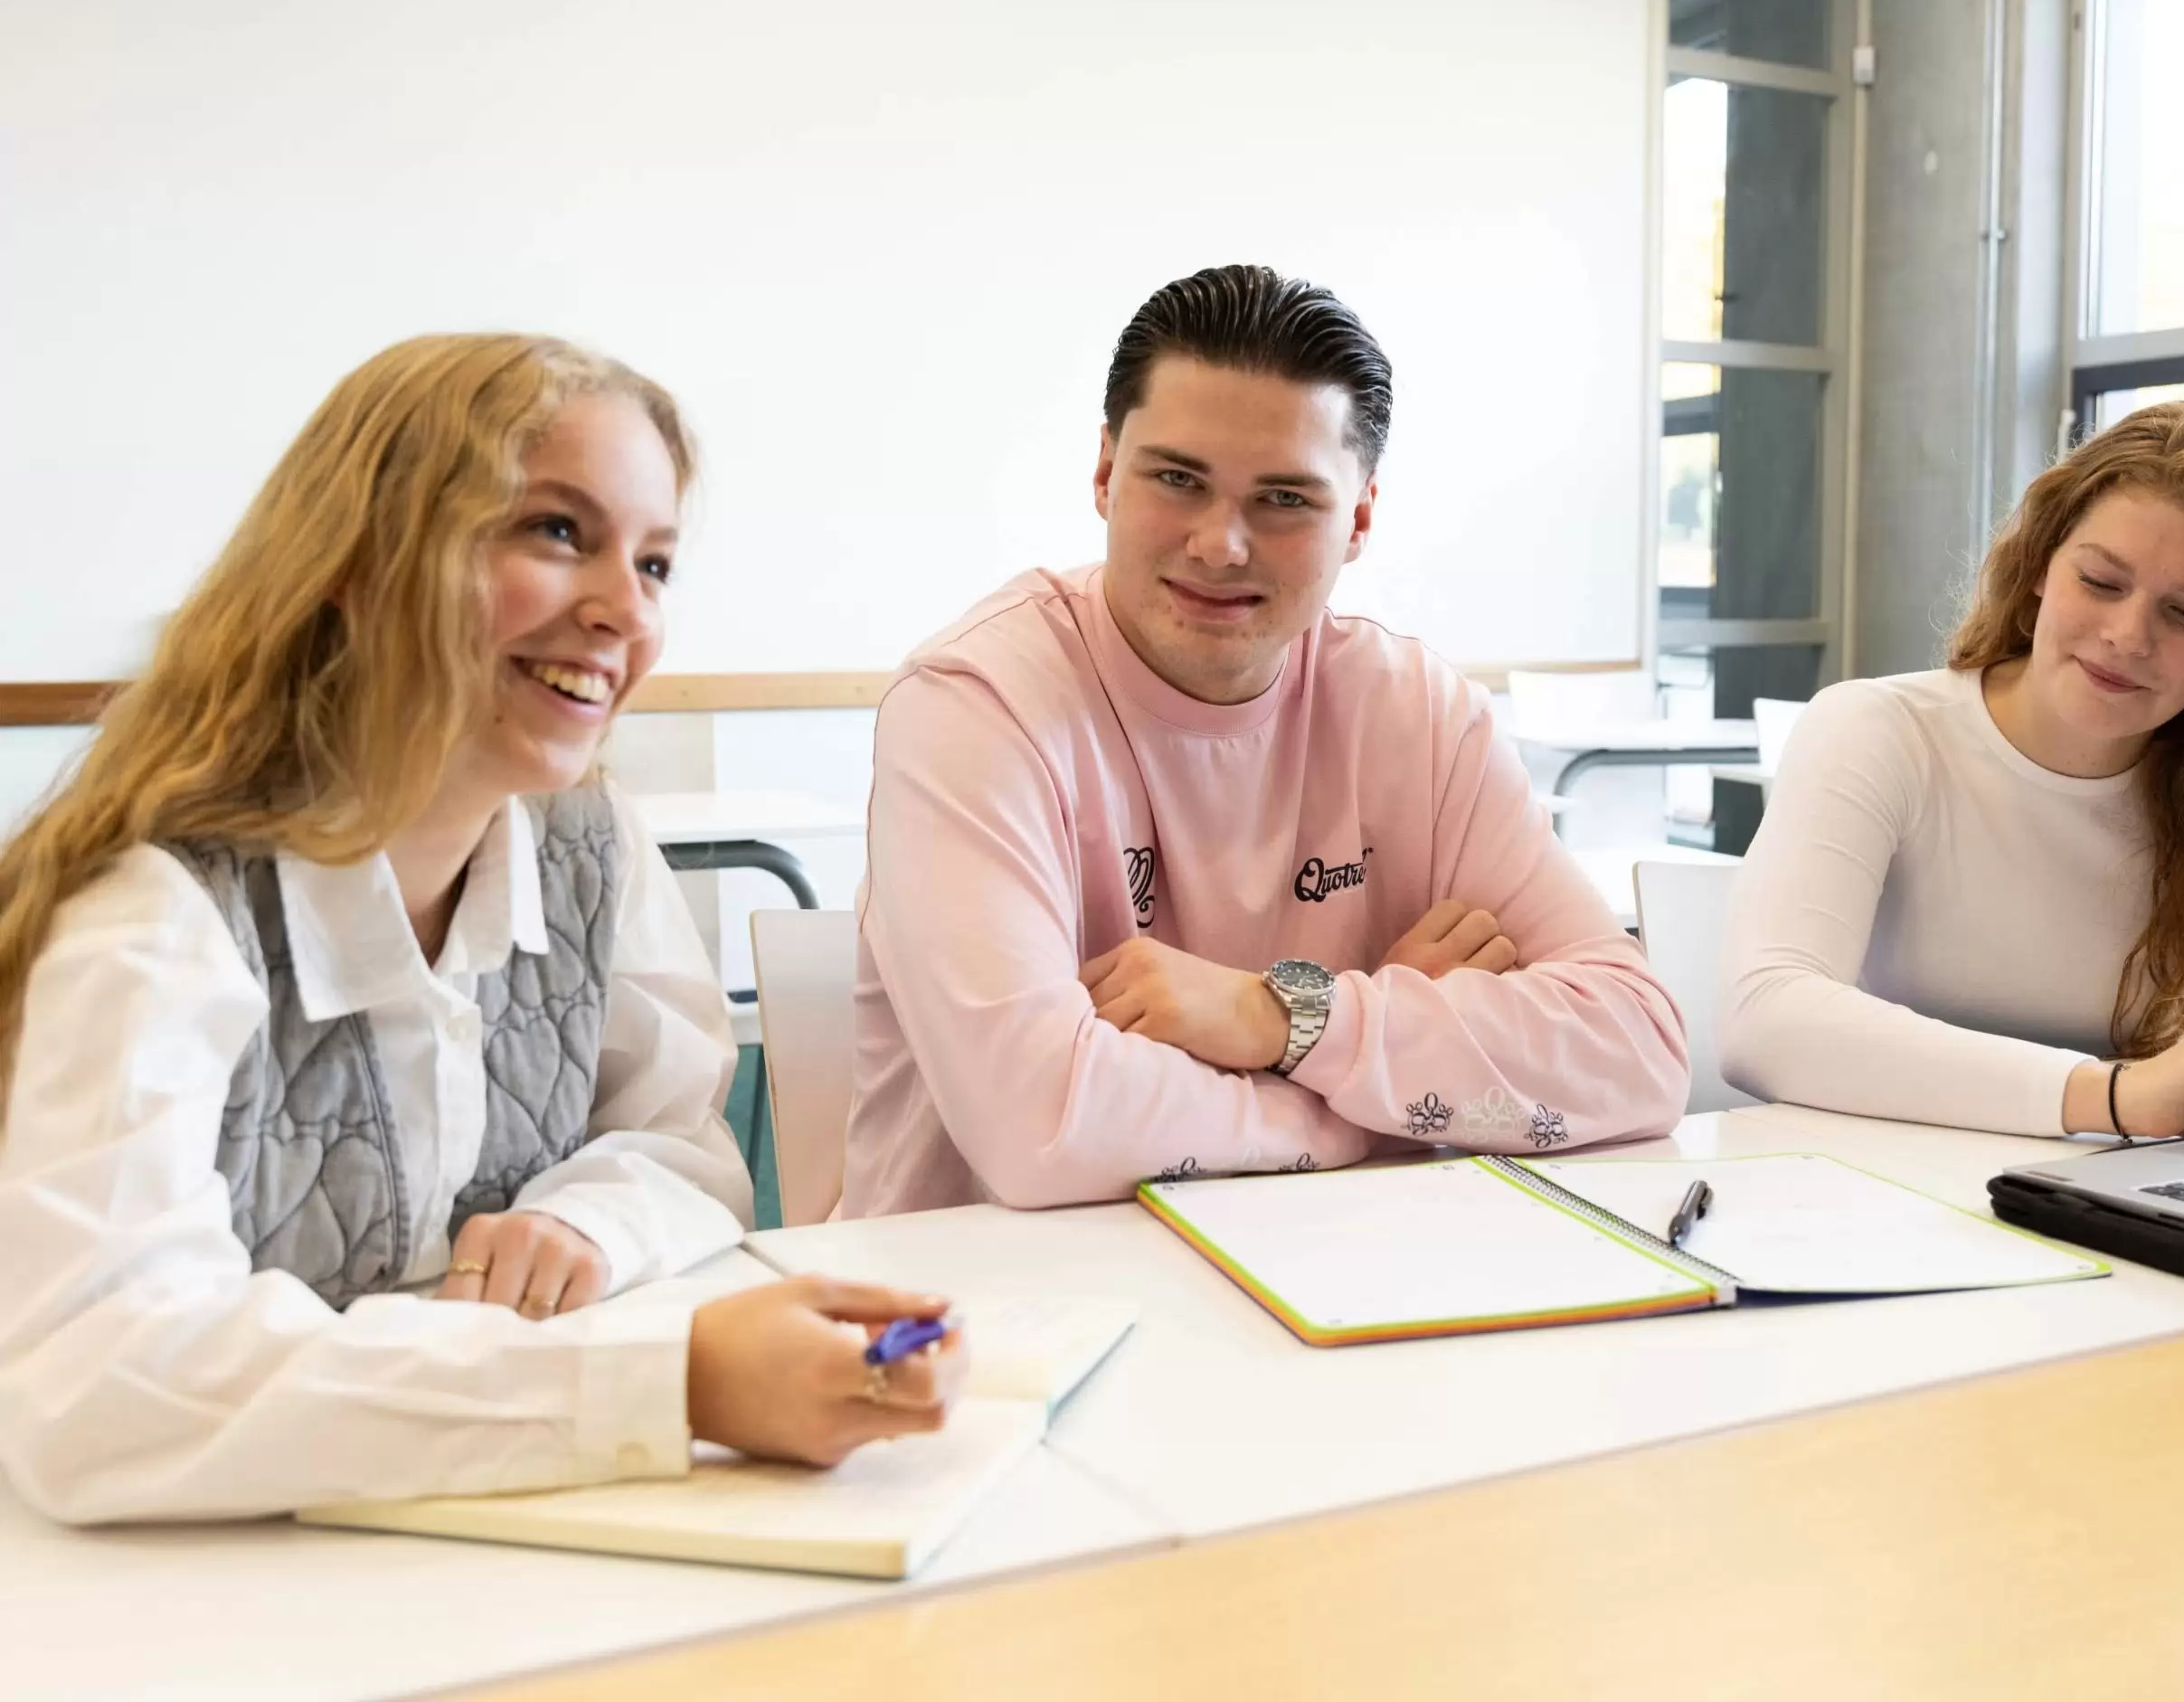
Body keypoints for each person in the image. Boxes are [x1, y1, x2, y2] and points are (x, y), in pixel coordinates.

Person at [0, 335, 961, 1524]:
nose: (625, 612)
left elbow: (683, 1143)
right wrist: (677, 1384)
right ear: (357, 558)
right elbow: (99, 1385)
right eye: (557, 532)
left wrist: (586, 1220)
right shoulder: (156, 913)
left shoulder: (587, 843)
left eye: (654, 563)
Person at [842, 265, 1688, 1216]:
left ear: (1359, 518)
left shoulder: (1417, 711)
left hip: (1344, 1277)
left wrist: (1278, 1015)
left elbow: (1640, 1053)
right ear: (1103, 473)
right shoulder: (976, 703)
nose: (1219, 545)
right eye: (1176, 479)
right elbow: (1045, 1128)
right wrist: (1360, 1099)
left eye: (1285, 499)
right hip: (987, 1324)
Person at [1720, 400, 2184, 1139]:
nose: (2128, 637)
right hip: (1882, 1197)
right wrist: (2120, 1095)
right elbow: (1766, 1018)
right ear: (2038, 566)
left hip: (2133, 1202)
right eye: (2100, 582)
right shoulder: (1878, 731)